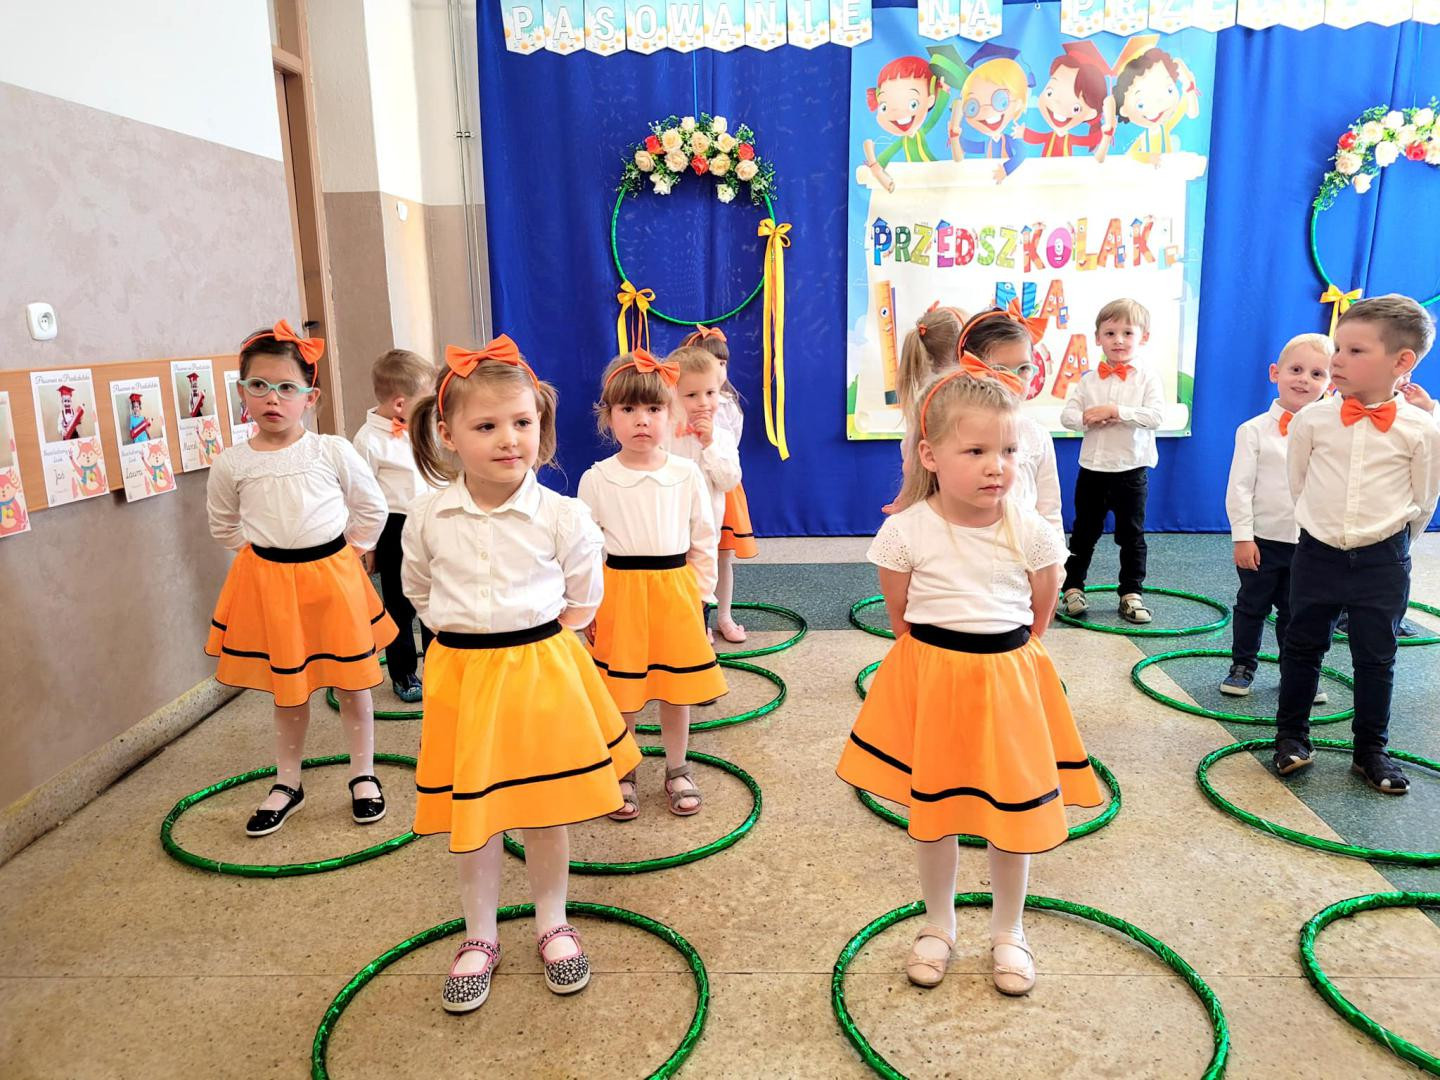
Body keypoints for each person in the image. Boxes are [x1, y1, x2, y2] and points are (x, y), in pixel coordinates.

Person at [837, 368, 1101, 996]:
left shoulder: (1030, 529)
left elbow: (1040, 610)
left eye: (1008, 451)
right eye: (976, 451)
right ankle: (939, 923)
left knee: (1013, 814)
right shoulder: (906, 529)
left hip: (1007, 686)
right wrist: (944, 661)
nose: (996, 467)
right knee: (936, 811)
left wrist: (1003, 657)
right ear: (930, 455)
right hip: (934, 683)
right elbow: (901, 615)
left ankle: (1009, 930)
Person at [403, 336, 641, 1012]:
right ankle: (479, 934)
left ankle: (552, 922)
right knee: (475, 814)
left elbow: (584, 597)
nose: (509, 439)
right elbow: (418, 589)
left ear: (541, 425)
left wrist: (531, 642)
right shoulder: (429, 515)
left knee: (543, 809)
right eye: (486, 426)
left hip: (541, 673)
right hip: (464, 678)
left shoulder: (563, 516)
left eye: (522, 422)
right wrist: (467, 640)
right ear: (447, 434)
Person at [205, 321, 395, 836]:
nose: (273, 398)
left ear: (310, 398)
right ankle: (288, 781)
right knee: (288, 689)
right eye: (259, 385)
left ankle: (363, 774)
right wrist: (264, 559)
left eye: (287, 387)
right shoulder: (232, 462)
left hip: (332, 580)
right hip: (272, 587)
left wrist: (351, 552)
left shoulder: (330, 450)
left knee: (353, 682)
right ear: (242, 392)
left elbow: (370, 506)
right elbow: (223, 524)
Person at [1273, 295, 1440, 793]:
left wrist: (1387, 545)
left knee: (1376, 656)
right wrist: (1322, 530)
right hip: (1317, 552)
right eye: (1338, 348)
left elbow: (1424, 499)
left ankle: (1371, 750)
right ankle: (1291, 737)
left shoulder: (1422, 429)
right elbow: (1298, 482)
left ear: (1402, 362)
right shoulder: (1313, 420)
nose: (1337, 360)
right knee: (1302, 645)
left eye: (1354, 351)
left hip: (1383, 559)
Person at [578, 350, 728, 820]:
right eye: (628, 409)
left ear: (671, 413)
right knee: (621, 693)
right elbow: (585, 552)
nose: (642, 420)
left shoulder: (685, 474)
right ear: (608, 417)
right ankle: (624, 770)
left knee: (674, 689)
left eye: (654, 408)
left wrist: (701, 600)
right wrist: (586, 610)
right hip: (619, 594)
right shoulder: (596, 479)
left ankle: (677, 766)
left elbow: (703, 540)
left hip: (674, 593)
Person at [1222, 334, 1333, 699]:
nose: (1304, 380)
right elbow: (1240, 487)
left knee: (1297, 612)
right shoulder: (1253, 430)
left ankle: (1296, 673)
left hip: (1309, 544)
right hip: (1262, 540)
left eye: (1317, 374)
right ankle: (1243, 666)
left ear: (1331, 383)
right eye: (1296, 370)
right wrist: (1243, 536)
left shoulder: (1332, 433)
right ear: (1275, 373)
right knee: (1251, 606)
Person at [1059, 298, 1164, 623]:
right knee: (1083, 533)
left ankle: (1131, 593)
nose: (1119, 340)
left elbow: (1156, 416)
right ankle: (1072, 588)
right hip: (1093, 470)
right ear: (1098, 338)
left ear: (1143, 337)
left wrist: (1118, 412)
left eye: (1127, 333)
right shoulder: (1089, 381)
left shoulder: (1147, 378)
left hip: (1131, 471)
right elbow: (1067, 415)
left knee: (1131, 536)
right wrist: (1086, 417)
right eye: (1110, 333)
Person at [352, 348, 437, 703]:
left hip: (430, 520)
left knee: (436, 597)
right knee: (400, 606)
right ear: (400, 404)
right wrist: (368, 545)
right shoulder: (367, 442)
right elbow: (361, 497)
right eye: (426, 400)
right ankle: (403, 674)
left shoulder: (422, 427)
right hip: (393, 527)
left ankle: (439, 666)